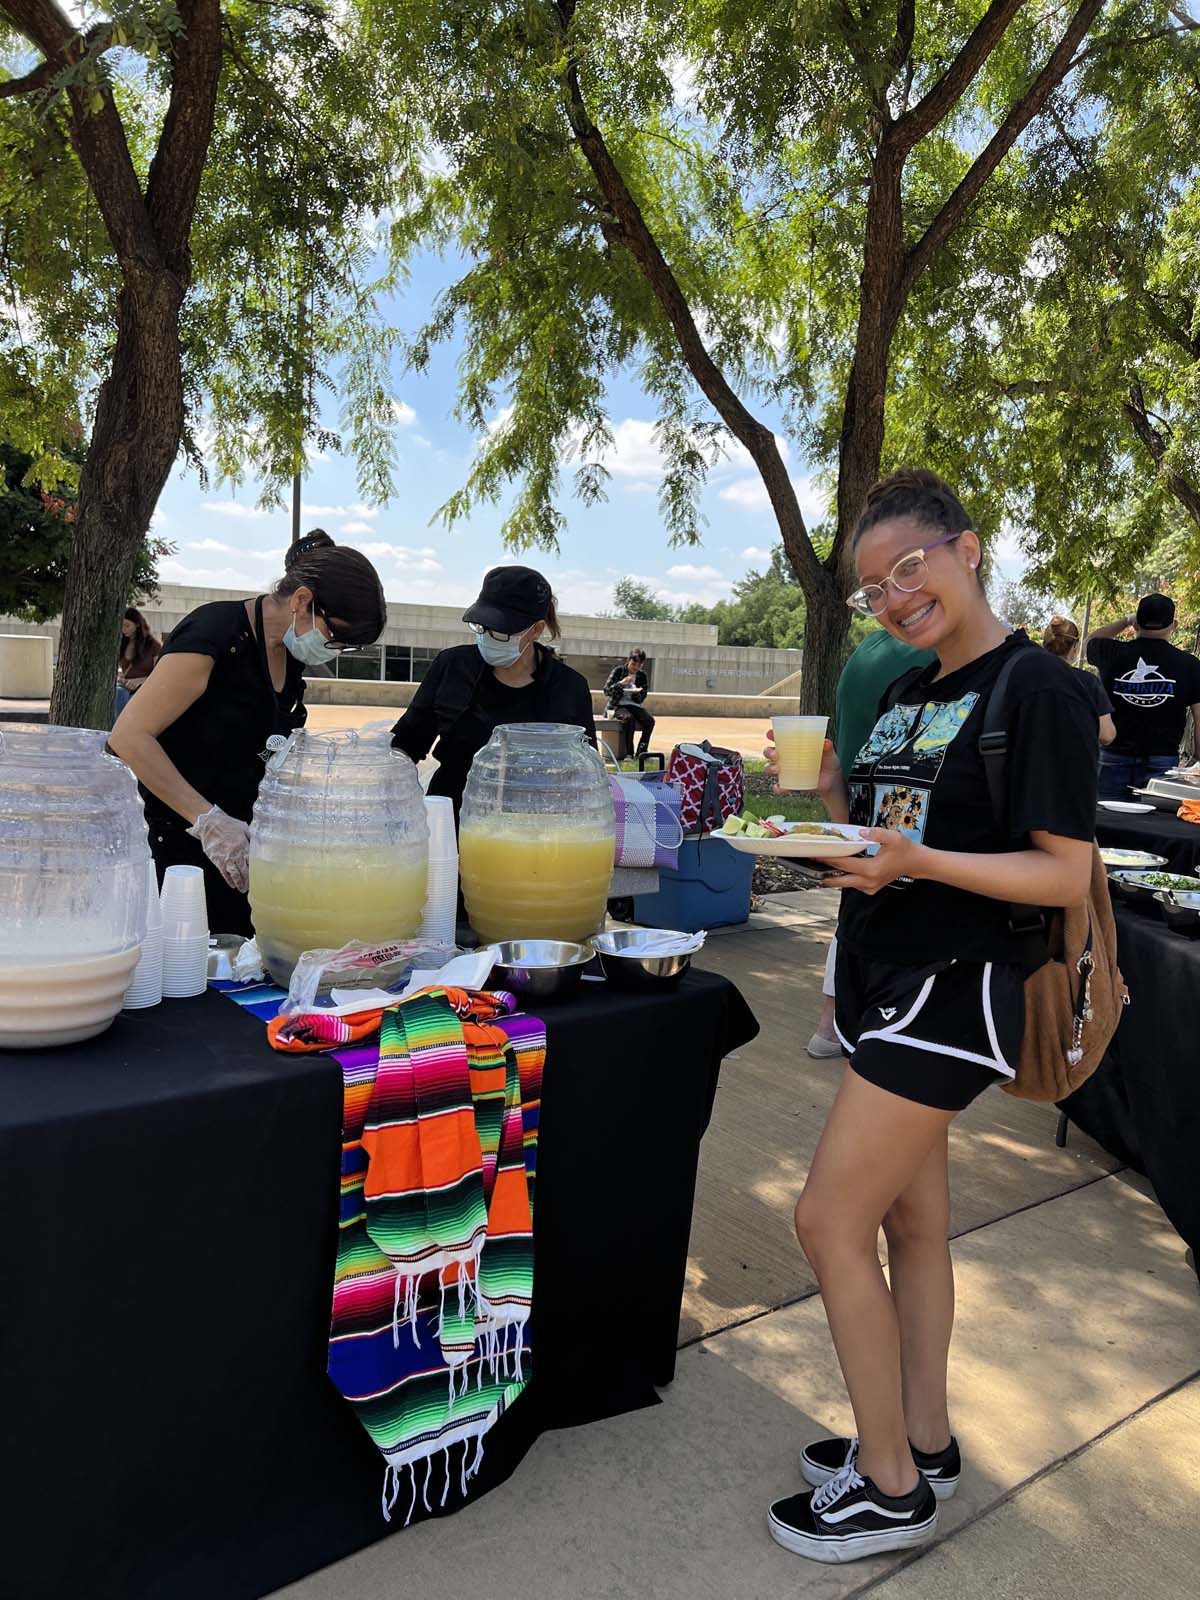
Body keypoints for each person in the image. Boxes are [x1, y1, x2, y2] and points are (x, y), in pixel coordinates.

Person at [762, 468, 1096, 1564]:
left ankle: (890, 1485)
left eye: (910, 568)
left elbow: (1062, 878)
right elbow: (878, 840)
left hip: (962, 983)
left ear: (967, 548)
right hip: (884, 972)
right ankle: (926, 1438)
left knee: (826, 1220)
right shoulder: (909, 692)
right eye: (873, 588)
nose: (895, 598)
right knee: (907, 1224)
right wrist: (819, 804)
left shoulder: (1036, 687)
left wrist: (917, 860)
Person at [109, 531, 386, 935]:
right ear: (303, 600)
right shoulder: (216, 633)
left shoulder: (289, 654)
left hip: (245, 844)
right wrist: (209, 822)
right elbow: (129, 737)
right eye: (336, 638)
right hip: (184, 841)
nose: (333, 650)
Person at [806, 629, 937, 1061]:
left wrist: (834, 790)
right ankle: (837, 1024)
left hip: (871, 834)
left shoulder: (869, 649)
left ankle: (833, 1022)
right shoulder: (920, 667)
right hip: (898, 865)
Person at [389, 564, 596, 817]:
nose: (487, 636)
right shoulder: (452, 667)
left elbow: (586, 773)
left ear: (536, 630)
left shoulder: (569, 687)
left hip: (537, 826)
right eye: (482, 627)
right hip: (449, 818)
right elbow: (407, 742)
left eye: (500, 631)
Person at [1085, 594, 1200, 799]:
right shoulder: (1189, 665)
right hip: (1162, 759)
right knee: (1154, 825)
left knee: (1108, 822)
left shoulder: (1111, 652)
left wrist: (1126, 620)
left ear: (1137, 624)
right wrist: (1197, 759)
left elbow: (1090, 641)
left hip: (1114, 754)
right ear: (1174, 624)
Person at [1041, 615, 1115, 746]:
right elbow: (1106, 735)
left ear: (1044, 645)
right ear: (1075, 647)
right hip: (1076, 761)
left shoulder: (1027, 678)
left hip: (1031, 761)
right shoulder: (1089, 683)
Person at [604, 648, 656, 758]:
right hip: (618, 705)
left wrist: (636, 693)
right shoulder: (619, 671)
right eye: (633, 664)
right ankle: (629, 753)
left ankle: (642, 751)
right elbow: (607, 691)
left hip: (635, 705)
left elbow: (642, 697)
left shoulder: (642, 676)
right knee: (629, 719)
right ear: (628, 661)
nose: (636, 668)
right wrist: (621, 683)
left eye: (639, 665)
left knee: (650, 721)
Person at [114, 606, 162, 718]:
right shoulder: (121, 644)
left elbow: (159, 674)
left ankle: (120, 730)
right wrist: (122, 680)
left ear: (137, 624)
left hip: (145, 688)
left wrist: (140, 681)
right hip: (126, 687)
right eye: (121, 626)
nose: (123, 629)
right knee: (118, 692)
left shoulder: (153, 645)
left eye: (127, 625)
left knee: (121, 694)